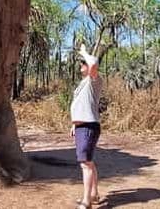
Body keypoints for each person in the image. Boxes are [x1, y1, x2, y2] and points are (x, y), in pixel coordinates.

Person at [70, 44, 103, 209]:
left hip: (89, 127)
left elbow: (94, 63)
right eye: (82, 63)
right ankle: (94, 194)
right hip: (82, 127)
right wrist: (74, 124)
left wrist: (84, 52)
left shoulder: (93, 80)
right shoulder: (83, 84)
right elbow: (80, 105)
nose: (82, 65)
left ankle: (86, 201)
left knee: (85, 164)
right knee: (89, 162)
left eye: (83, 63)